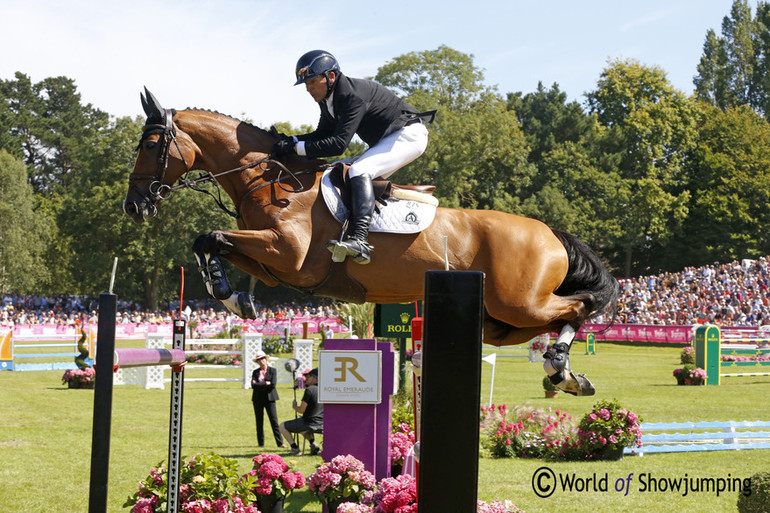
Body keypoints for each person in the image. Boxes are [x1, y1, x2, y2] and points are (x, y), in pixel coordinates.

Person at [272, 49, 435, 265]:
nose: (308, 88)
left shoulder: (351, 96)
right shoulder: (328, 99)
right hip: (391, 137)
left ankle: (360, 240)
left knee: (359, 170)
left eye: (312, 81)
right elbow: (322, 135)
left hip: (408, 135)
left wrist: (295, 149)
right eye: (305, 83)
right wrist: (291, 139)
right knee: (343, 172)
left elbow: (338, 144)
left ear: (330, 77)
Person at [279, 368, 324, 455]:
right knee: (301, 425)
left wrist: (295, 407)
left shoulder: (310, 390)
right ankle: (313, 444)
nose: (306, 379)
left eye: (309, 377)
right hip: (323, 424)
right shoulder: (326, 390)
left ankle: (294, 448)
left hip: (310, 423)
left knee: (282, 426)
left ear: (316, 378)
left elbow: (301, 410)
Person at [251, 350, 284, 448]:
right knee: (259, 421)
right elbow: (253, 385)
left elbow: (273, 385)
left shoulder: (272, 370)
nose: (261, 361)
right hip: (257, 399)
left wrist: (259, 384)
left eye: (262, 359)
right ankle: (260, 444)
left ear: (266, 359)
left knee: (274, 421)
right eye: (259, 360)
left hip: (270, 399)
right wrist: (265, 383)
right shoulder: (255, 372)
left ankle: (280, 443)